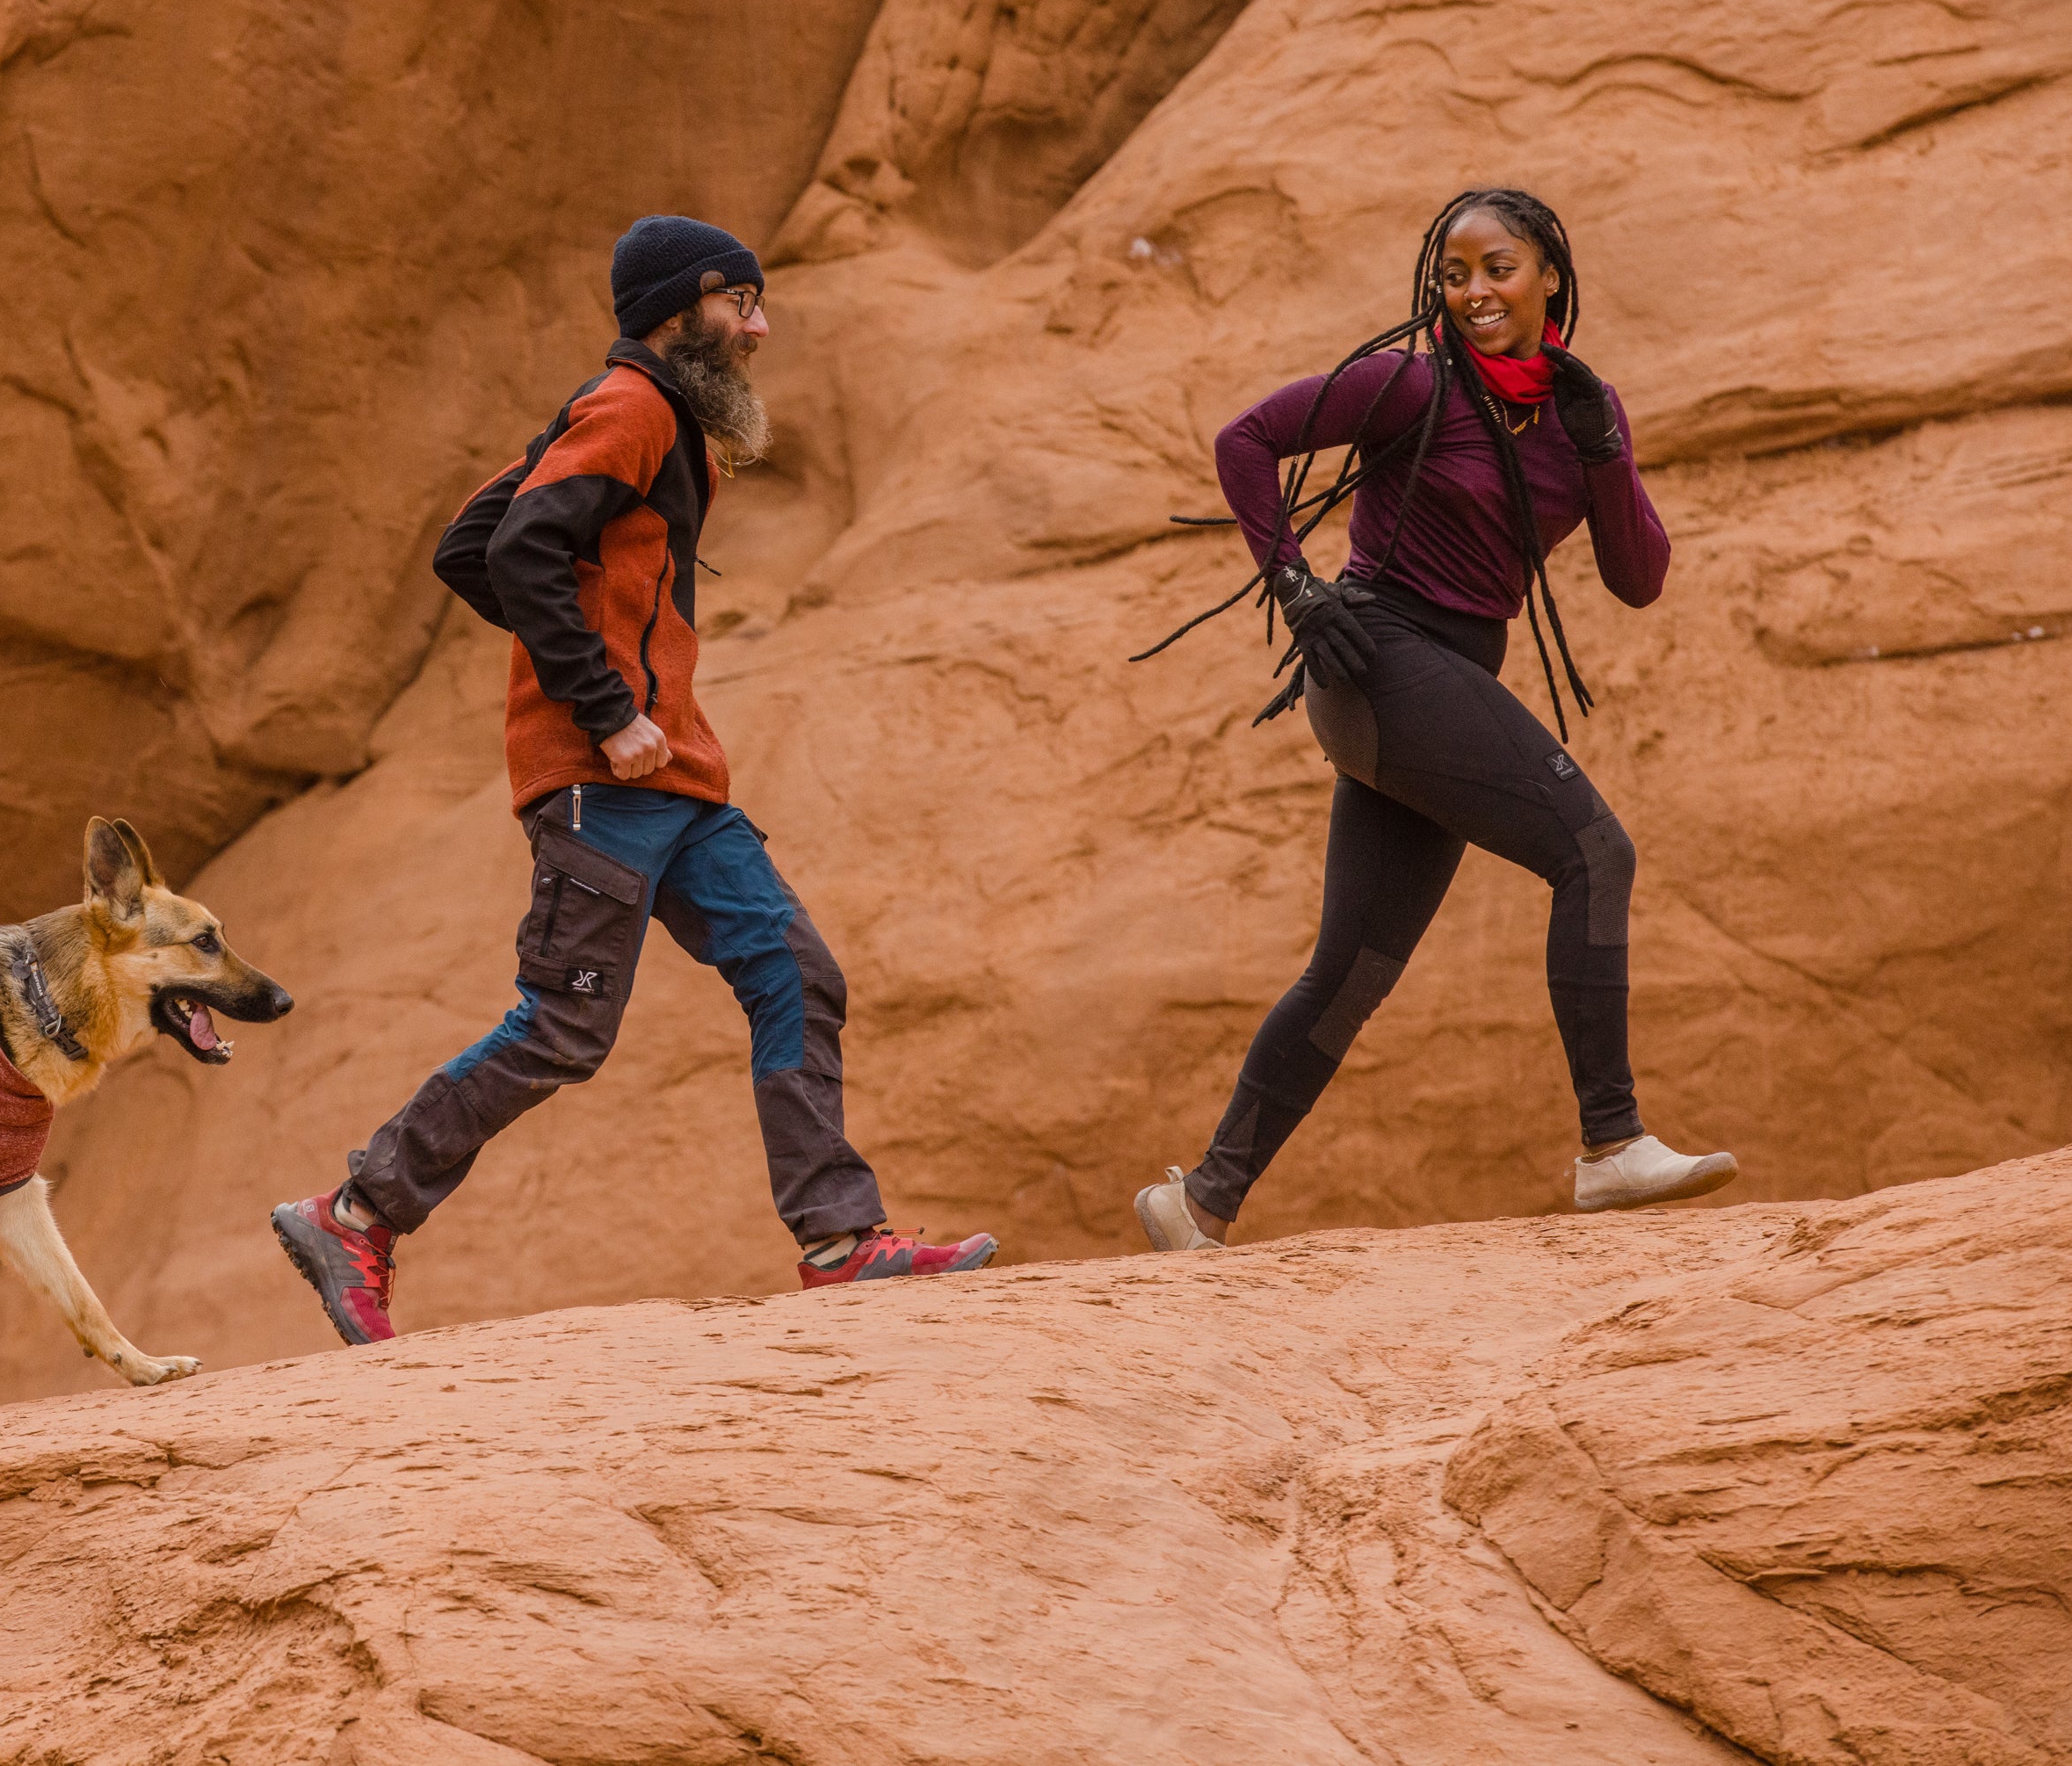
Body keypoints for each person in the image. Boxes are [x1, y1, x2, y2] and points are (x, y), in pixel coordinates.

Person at [271, 215, 999, 1343]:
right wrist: (602, 711)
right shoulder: (630, 407)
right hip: (603, 783)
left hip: (680, 784)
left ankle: (840, 1244)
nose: (758, 327)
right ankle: (355, 1212)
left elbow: (473, 541)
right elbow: (509, 550)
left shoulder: (664, 424)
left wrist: (623, 694)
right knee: (564, 1028)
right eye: (738, 304)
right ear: (677, 311)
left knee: (794, 974)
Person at [1133, 187, 1737, 1252]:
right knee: (1593, 851)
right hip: (1374, 658)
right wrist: (1295, 585)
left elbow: (1637, 579)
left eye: (1495, 269)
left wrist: (1605, 451)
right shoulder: (1409, 385)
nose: (1471, 293)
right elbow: (1245, 442)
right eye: (1452, 275)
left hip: (1438, 685)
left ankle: (1200, 1200)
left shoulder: (1578, 413)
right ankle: (1611, 1144)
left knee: (1353, 967)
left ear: (1549, 270)